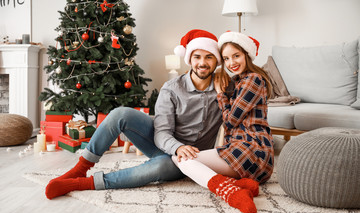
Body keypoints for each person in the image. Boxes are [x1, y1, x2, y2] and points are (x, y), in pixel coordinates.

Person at [45, 29, 258, 200]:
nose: (202, 62)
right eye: (197, 57)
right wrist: (178, 147)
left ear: (217, 61)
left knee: (163, 165)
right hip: (163, 143)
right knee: (121, 113)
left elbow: (250, 92)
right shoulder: (172, 88)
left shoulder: (226, 87)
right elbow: (162, 132)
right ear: (189, 59)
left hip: (190, 159)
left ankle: (86, 184)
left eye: (209, 57)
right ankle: (81, 168)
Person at [171, 31, 274, 213]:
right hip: (245, 156)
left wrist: (220, 93)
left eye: (236, 56)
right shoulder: (238, 81)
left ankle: (230, 192)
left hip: (253, 151)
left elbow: (231, 120)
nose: (231, 63)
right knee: (181, 159)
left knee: (181, 159)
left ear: (246, 55)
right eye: (226, 59)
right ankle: (241, 185)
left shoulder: (253, 79)